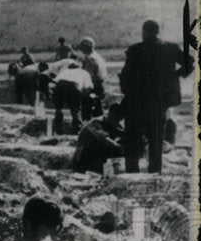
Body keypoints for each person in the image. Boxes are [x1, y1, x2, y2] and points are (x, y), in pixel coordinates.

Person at [118, 19, 191, 174]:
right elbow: (190, 61)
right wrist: (175, 76)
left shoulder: (135, 50)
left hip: (136, 102)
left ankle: (132, 174)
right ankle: (154, 174)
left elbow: (125, 75)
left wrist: (126, 91)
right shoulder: (170, 48)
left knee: (132, 140)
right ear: (157, 32)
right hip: (159, 102)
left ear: (144, 32)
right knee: (156, 141)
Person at [72, 103, 125, 174]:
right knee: (108, 146)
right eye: (115, 118)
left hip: (93, 157)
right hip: (82, 158)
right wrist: (120, 147)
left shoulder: (112, 123)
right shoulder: (96, 123)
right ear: (110, 113)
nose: (116, 121)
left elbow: (121, 132)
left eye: (118, 120)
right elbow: (104, 139)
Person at [49, 61, 94, 133]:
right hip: (74, 87)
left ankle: (57, 126)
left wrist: (55, 95)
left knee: (58, 109)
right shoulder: (84, 72)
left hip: (60, 85)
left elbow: (53, 83)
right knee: (75, 109)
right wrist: (81, 96)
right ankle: (77, 128)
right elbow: (90, 86)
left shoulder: (65, 71)